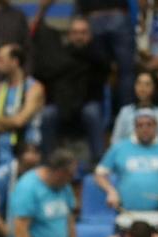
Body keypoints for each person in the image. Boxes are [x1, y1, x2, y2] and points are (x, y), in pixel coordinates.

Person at [37, 15, 113, 161]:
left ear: (90, 35)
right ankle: (46, 161)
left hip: (87, 104)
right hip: (62, 104)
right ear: (69, 35)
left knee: (92, 112)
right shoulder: (59, 55)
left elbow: (103, 74)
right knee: (47, 114)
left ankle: (99, 162)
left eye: (83, 32)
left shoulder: (98, 56)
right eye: (76, 32)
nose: (79, 37)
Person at [95, 110, 158, 218]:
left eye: (149, 124)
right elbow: (99, 174)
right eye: (140, 125)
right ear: (134, 127)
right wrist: (111, 191)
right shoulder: (119, 148)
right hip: (126, 214)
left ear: (156, 126)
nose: (144, 129)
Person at [4, 149, 77, 237]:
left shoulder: (64, 187)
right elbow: (20, 231)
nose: (72, 178)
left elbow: (70, 224)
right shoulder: (28, 187)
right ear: (60, 172)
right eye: (71, 174)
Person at [0, 43, 44, 165]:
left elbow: (20, 121)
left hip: (26, 150)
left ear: (15, 62)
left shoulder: (34, 88)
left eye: (0, 60)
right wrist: (12, 122)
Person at [112, 71, 158, 146]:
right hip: (130, 153)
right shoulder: (125, 112)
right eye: (139, 83)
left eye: (147, 84)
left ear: (155, 87)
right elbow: (116, 142)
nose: (142, 88)